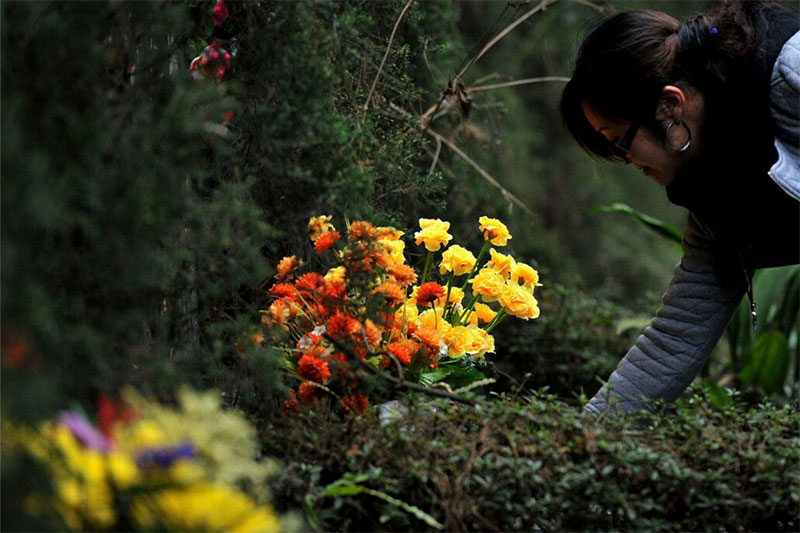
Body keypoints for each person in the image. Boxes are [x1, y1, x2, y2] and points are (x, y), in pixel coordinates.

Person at [560, 0, 800, 416]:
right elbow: (673, 341)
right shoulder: (716, 209)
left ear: (671, 105)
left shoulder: (791, 74)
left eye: (618, 140)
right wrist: (581, 435)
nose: (626, 160)